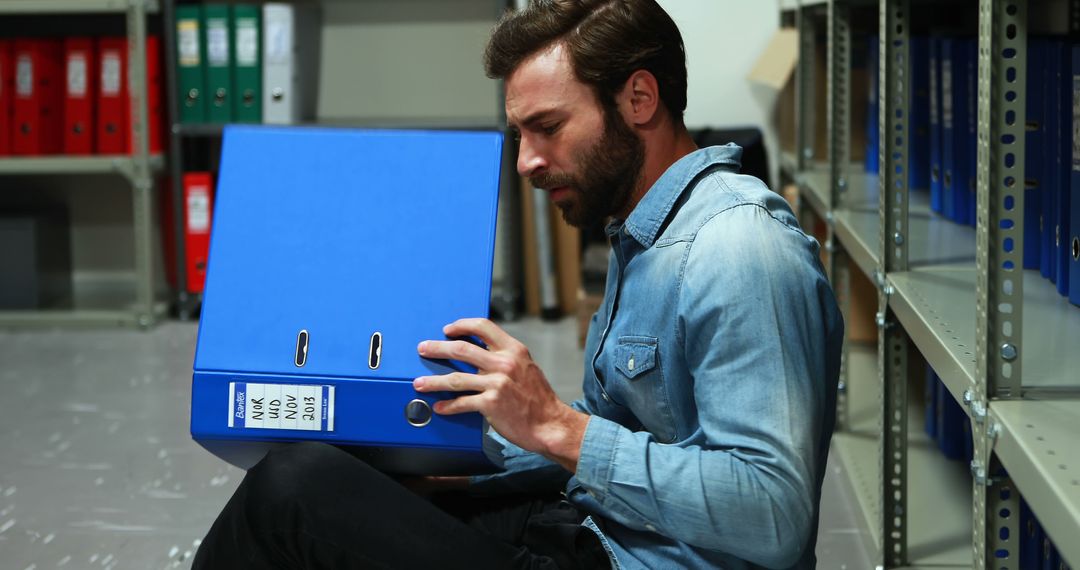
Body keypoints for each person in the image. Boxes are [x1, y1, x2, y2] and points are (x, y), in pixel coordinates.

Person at [192, 0, 844, 568]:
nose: (527, 160)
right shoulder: (643, 233)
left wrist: (557, 426)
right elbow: (631, 431)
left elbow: (775, 518)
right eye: (519, 134)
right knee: (344, 471)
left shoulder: (739, 251)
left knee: (293, 490)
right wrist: (475, 463)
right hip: (595, 524)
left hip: (636, 558)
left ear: (638, 100)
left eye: (549, 128)